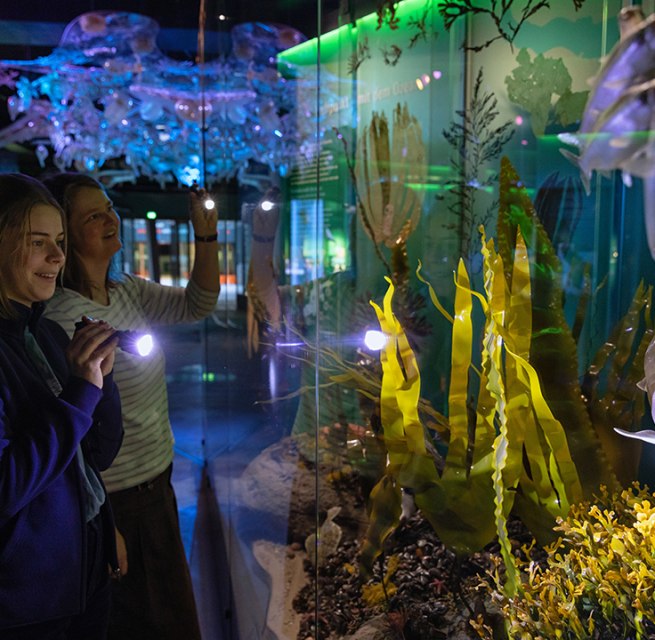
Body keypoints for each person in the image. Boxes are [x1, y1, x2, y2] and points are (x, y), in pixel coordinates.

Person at [43, 172, 220, 640]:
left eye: (109, 207)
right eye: (92, 215)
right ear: (63, 233)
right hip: (119, 504)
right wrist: (103, 519)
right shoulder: (60, 314)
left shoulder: (126, 290)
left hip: (157, 487)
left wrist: (205, 232)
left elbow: (198, 303)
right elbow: (67, 431)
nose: (110, 219)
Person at [0, 173, 123, 639]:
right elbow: (6, 487)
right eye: (37, 242)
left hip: (82, 571)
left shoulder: (48, 334)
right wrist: (79, 393)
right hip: (28, 602)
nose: (57, 257)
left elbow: (98, 455)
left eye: (59, 241)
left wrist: (100, 383)